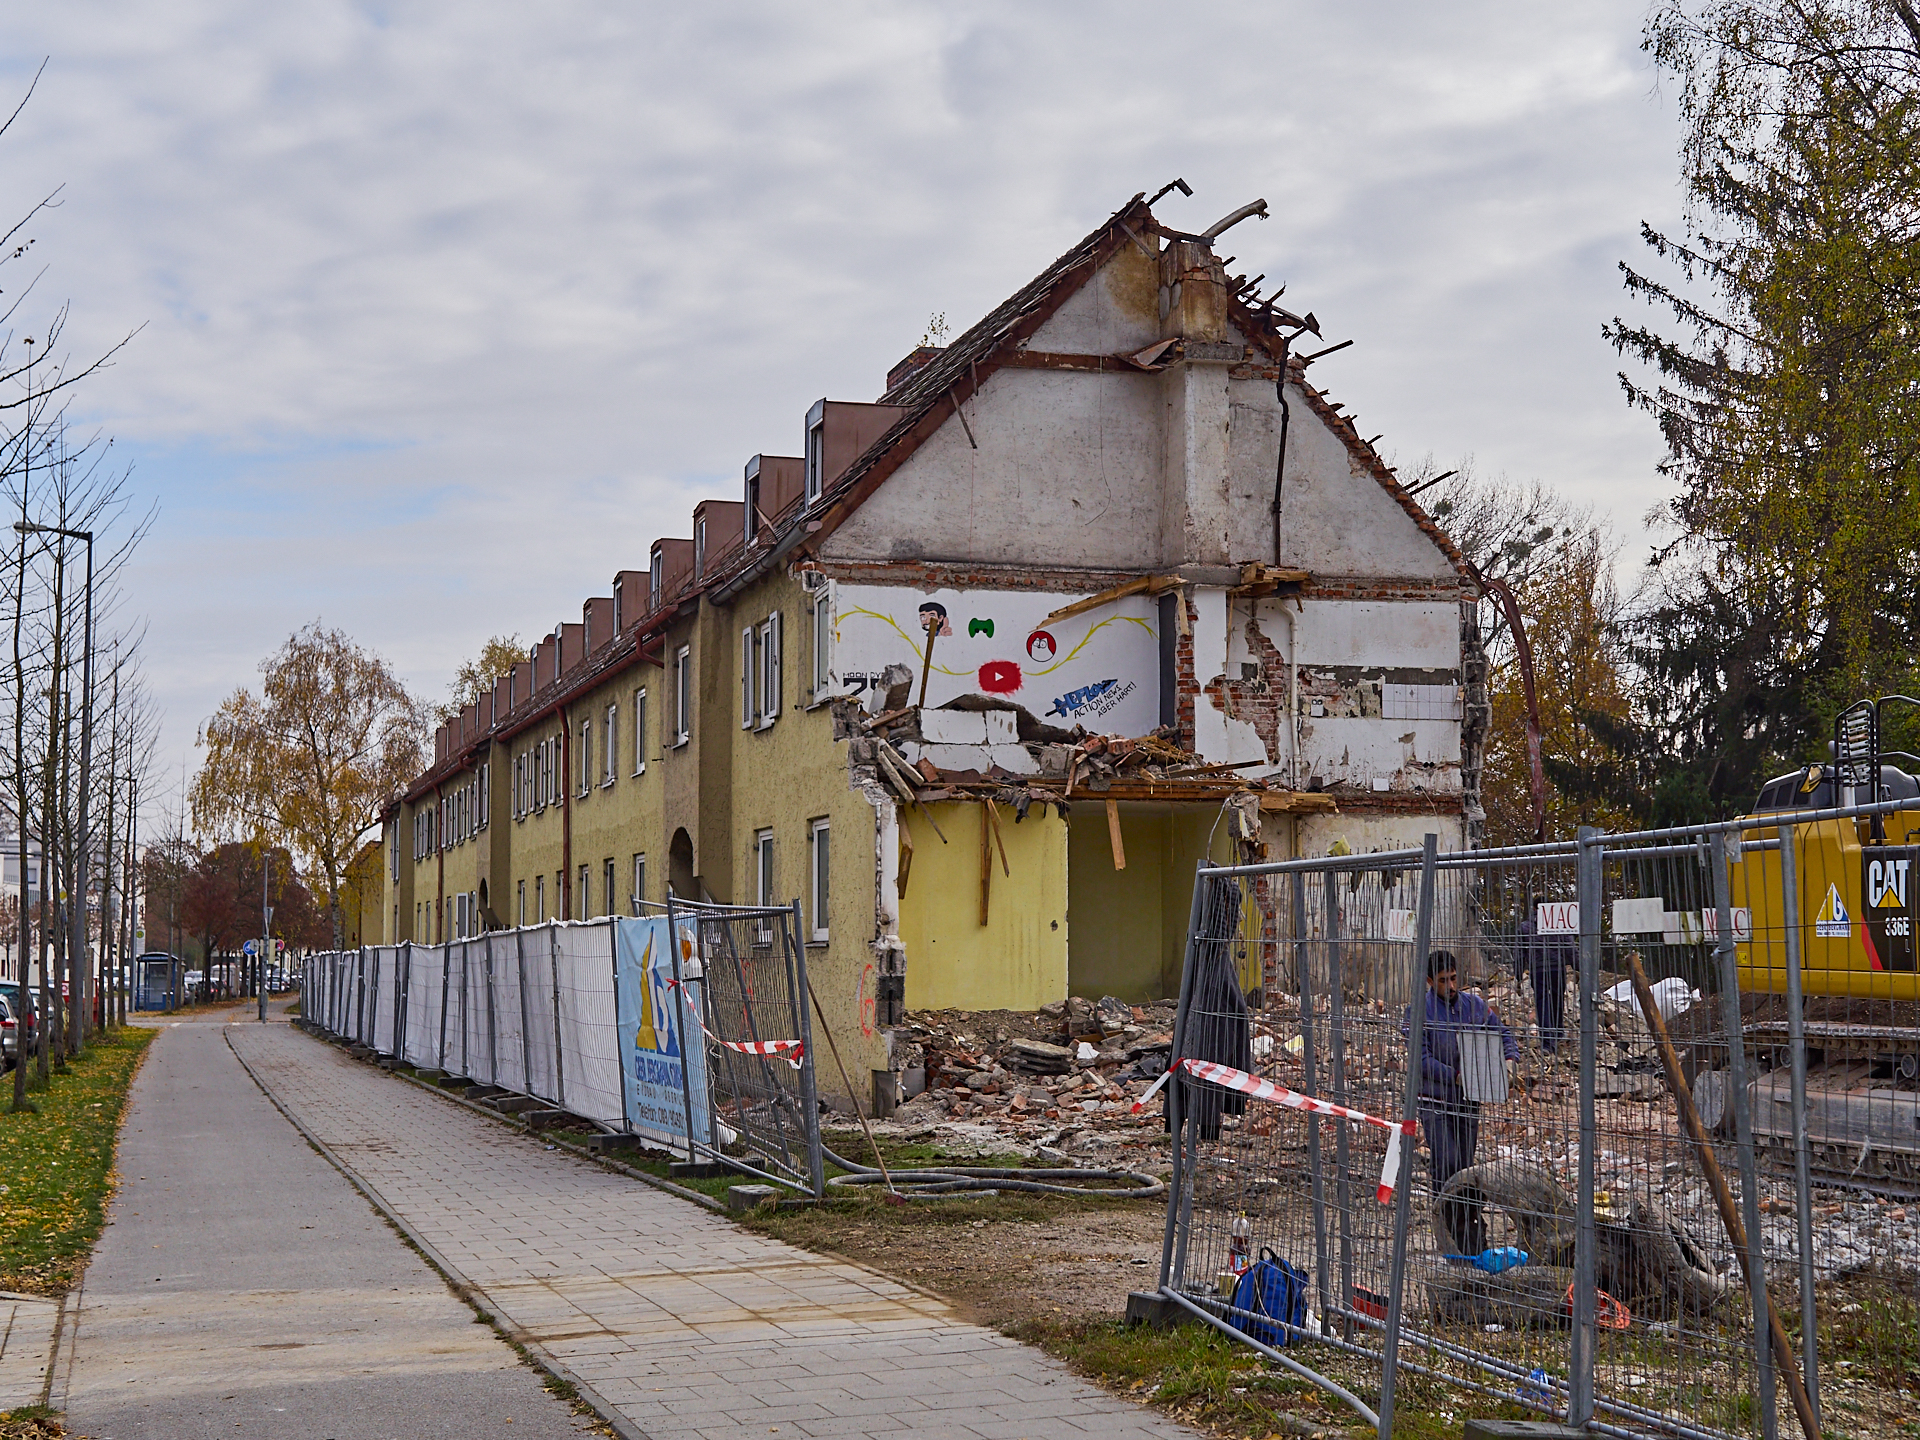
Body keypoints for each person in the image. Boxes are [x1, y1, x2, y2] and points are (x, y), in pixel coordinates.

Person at [1404, 949, 1518, 1256]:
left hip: (1468, 1099)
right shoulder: (1418, 1012)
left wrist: (1509, 1061)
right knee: (1447, 1161)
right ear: (1430, 981)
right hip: (1435, 1100)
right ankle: (1449, 1230)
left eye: (1454, 978)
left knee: (1466, 1168)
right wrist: (1453, 1076)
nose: (1451, 986)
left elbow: (1502, 1033)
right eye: (1443, 981)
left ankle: (1470, 1229)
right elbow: (1420, 1058)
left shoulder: (1474, 1006)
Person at [1513, 916, 1574, 1053]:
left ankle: (1548, 1042)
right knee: (1556, 999)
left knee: (1542, 1003)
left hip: (1538, 968)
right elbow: (1569, 945)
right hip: (1557, 968)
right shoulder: (1559, 923)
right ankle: (1558, 1033)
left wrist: (1518, 972)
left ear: (1534, 909)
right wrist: (1577, 964)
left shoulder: (1525, 926)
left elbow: (1520, 951)